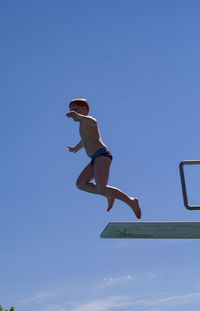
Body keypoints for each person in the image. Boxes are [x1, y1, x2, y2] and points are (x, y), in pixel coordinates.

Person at [66, 98, 141, 219]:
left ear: (85, 110)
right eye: (70, 111)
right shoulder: (81, 124)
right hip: (95, 158)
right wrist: (75, 148)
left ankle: (131, 201)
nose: (72, 113)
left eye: (75, 109)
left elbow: (94, 122)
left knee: (102, 187)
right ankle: (108, 194)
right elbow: (85, 140)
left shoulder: (88, 120)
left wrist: (78, 115)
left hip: (102, 155)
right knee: (80, 184)